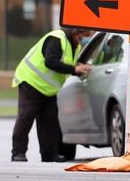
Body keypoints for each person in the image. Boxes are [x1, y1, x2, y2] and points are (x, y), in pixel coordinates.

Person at [10, 27, 94, 162]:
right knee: (26, 117)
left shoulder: (74, 45)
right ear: (76, 33)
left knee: (49, 121)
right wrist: (74, 68)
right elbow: (51, 61)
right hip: (32, 81)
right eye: (86, 35)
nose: (87, 38)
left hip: (48, 89)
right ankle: (18, 153)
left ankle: (49, 154)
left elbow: (64, 65)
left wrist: (77, 68)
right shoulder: (57, 39)